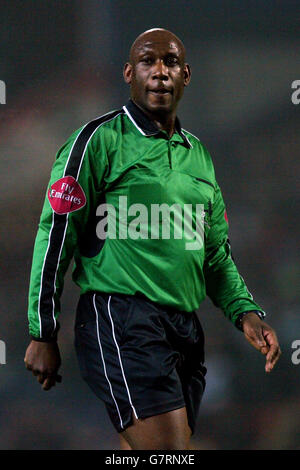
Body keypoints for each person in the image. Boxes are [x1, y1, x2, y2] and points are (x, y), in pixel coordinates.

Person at [24, 28, 281, 450]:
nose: (160, 71)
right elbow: (55, 233)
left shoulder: (198, 155)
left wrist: (245, 313)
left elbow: (215, 253)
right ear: (129, 72)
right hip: (121, 319)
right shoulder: (96, 141)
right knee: (171, 453)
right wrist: (42, 331)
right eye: (148, 61)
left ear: (186, 75)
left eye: (171, 62)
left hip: (183, 327)